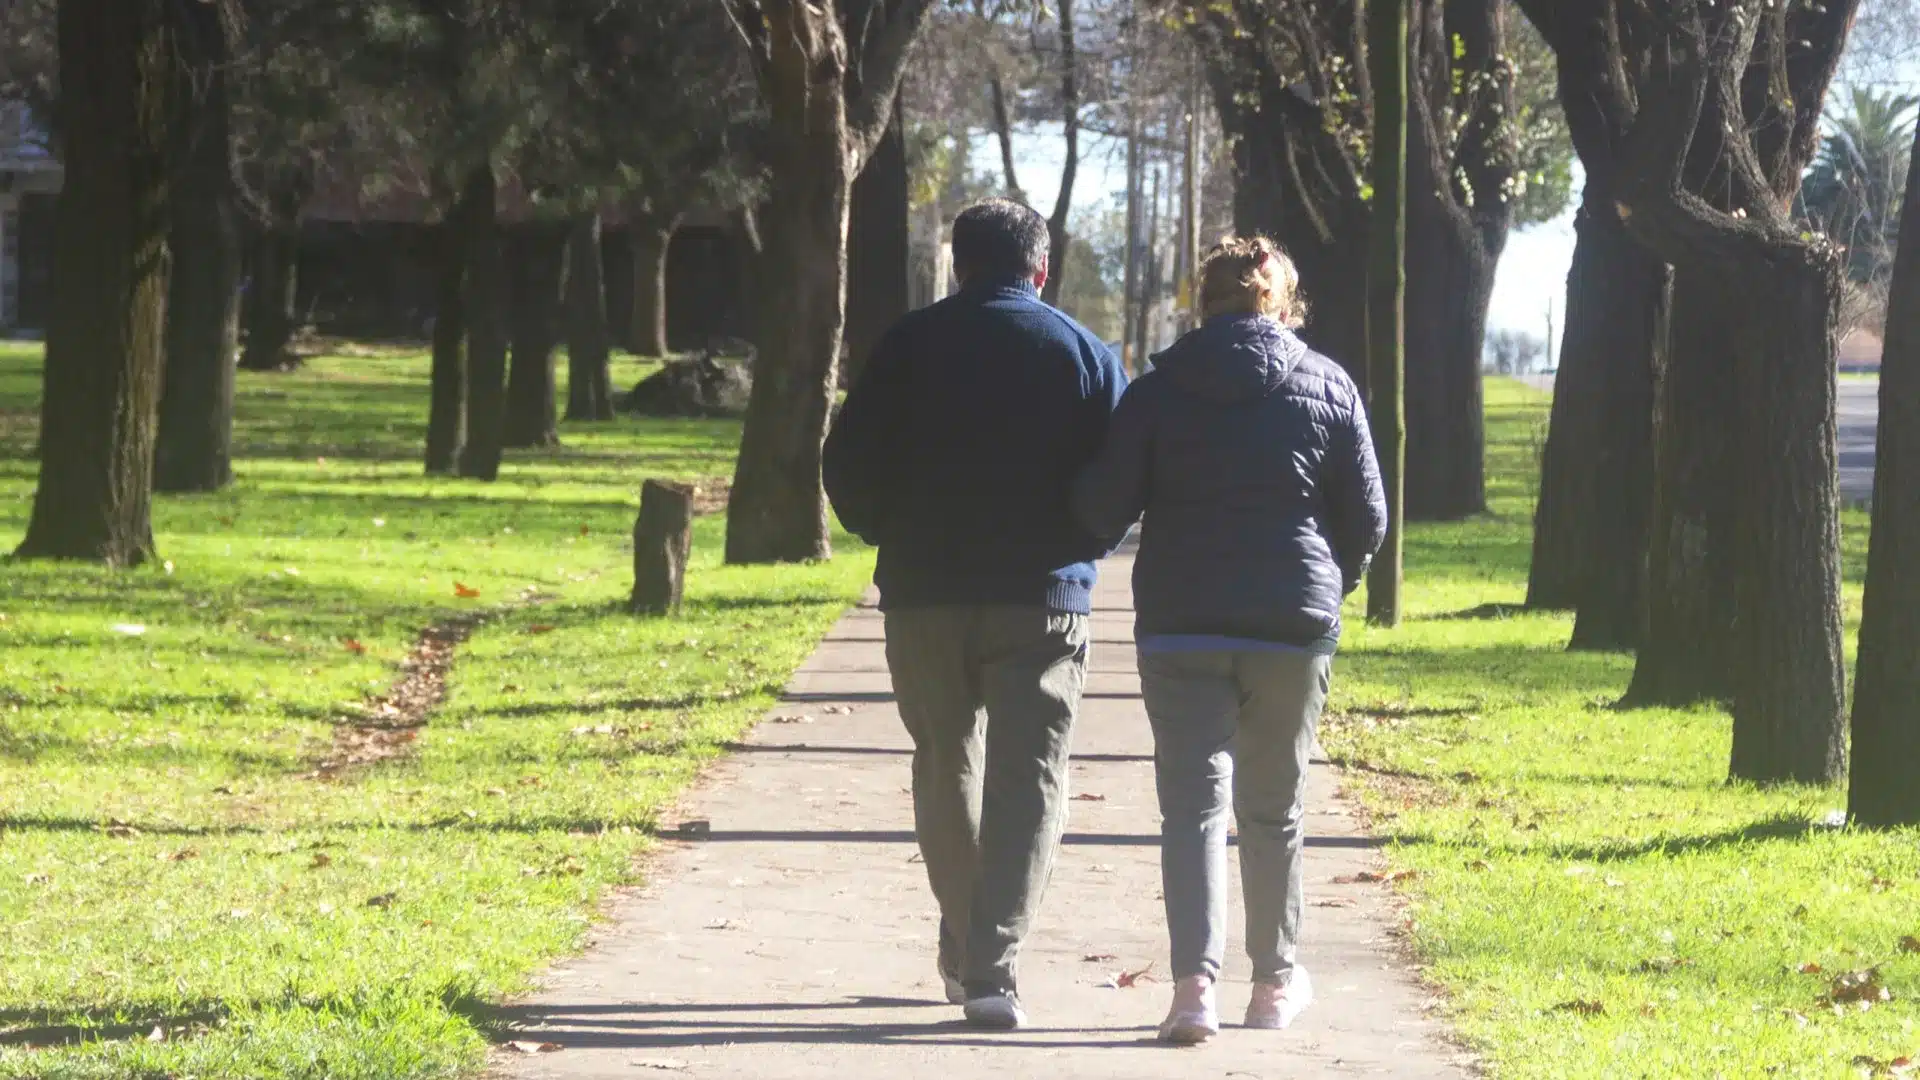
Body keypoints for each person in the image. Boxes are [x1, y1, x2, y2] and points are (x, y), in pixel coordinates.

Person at [1073, 236, 1387, 1044]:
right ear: (1280, 303)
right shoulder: (1329, 382)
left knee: (1192, 810)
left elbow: (1103, 510)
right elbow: (1369, 518)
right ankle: (1275, 984)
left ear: (1201, 301)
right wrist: (1328, 583)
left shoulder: (1159, 390)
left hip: (1182, 623)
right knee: (1275, 809)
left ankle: (1191, 991)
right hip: (1293, 625)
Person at [822, 198, 1128, 1030]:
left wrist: (883, 530)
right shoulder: (1086, 354)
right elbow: (1119, 476)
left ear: (959, 265)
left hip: (924, 590)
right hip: (1043, 599)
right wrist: (1082, 545)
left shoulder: (907, 346)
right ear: (1041, 269)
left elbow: (845, 460)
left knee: (944, 760)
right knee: (1032, 777)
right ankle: (993, 966)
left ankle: (964, 943)